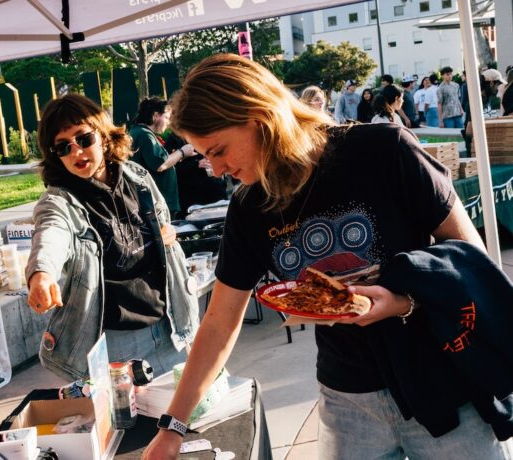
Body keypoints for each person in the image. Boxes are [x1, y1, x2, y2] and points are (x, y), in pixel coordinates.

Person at [142, 54, 509, 460]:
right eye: (204, 155)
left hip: (440, 381)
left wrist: (401, 302)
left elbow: (471, 260)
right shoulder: (249, 208)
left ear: (259, 117)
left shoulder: (383, 150)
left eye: (218, 150)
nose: (215, 168)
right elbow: (218, 323)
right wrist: (173, 427)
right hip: (347, 400)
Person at [26, 94, 199, 382]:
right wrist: (41, 275)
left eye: (83, 139)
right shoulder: (60, 201)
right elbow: (50, 232)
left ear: (104, 137)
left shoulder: (137, 177)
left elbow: (162, 226)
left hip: (171, 326)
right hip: (115, 345)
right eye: (63, 147)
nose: (76, 152)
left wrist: (165, 234)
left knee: (192, 407)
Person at [129, 97, 182, 217]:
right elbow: (161, 164)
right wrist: (182, 152)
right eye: (166, 117)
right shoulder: (144, 135)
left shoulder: (138, 132)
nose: (168, 122)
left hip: (154, 205)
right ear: (156, 116)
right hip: (158, 207)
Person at [164, 132, 227, 214]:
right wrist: (196, 164)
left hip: (217, 192)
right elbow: (170, 170)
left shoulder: (213, 132)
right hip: (192, 198)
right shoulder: (175, 138)